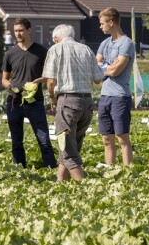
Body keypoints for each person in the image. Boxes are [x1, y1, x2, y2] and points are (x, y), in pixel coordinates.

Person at [43, 24, 104, 181]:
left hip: (67, 101)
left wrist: (52, 98)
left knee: (68, 148)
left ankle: (81, 186)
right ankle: (60, 182)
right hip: (87, 103)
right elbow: (98, 79)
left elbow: (50, 81)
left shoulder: (56, 50)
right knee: (72, 145)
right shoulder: (86, 50)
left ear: (56, 39)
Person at [2, 17, 57, 168]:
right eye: (15, 31)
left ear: (29, 30)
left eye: (20, 30)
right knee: (16, 140)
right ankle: (20, 170)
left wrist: (37, 82)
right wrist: (10, 86)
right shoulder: (10, 54)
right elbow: (4, 79)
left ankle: (51, 168)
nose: (17, 34)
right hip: (14, 102)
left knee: (44, 139)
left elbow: (50, 76)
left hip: (35, 102)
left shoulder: (41, 52)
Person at [95, 8, 135, 166]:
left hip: (120, 97)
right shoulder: (104, 43)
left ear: (111, 23)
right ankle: (110, 169)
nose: (100, 27)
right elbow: (94, 68)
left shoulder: (127, 43)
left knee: (122, 137)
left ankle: (127, 171)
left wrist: (103, 67)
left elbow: (116, 70)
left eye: (102, 23)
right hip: (104, 97)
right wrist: (107, 67)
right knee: (106, 138)